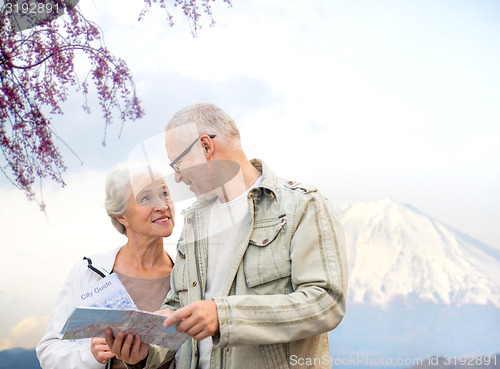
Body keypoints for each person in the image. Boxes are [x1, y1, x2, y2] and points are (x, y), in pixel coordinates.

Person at [105, 103, 348, 369]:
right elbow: (177, 307)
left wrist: (224, 316)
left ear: (206, 147)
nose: (176, 177)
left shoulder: (302, 206)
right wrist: (145, 352)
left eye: (178, 163)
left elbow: (326, 302)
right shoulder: (195, 221)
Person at [36, 162, 176, 369]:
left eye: (164, 193)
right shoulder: (88, 273)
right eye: (146, 198)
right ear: (122, 216)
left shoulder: (188, 274)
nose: (162, 205)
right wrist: (91, 355)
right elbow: (48, 351)